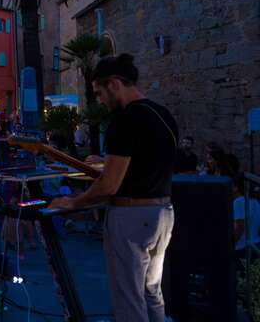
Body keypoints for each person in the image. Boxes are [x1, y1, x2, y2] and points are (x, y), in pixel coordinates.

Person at [49, 54, 177, 322]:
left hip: (131, 218)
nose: (100, 100)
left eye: (100, 92)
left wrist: (73, 202)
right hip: (162, 213)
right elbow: (147, 160)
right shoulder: (163, 114)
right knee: (152, 293)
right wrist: (108, 161)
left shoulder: (125, 120)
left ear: (115, 84)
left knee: (129, 300)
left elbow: (109, 185)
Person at [232, 174, 260, 267]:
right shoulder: (255, 202)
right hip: (255, 245)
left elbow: (240, 227)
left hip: (242, 249)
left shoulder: (238, 202)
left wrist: (229, 245)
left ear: (236, 187)